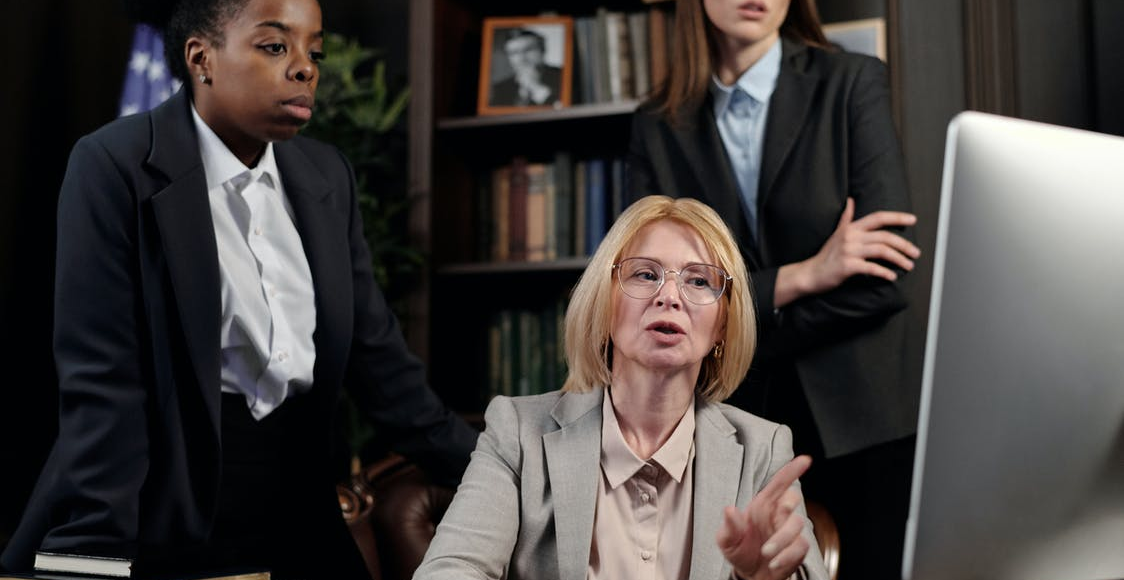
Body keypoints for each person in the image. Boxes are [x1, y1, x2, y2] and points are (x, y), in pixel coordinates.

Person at [0, 0, 477, 577]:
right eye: (275, 46)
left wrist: (515, 474)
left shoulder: (326, 176)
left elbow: (384, 369)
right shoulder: (113, 164)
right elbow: (104, 387)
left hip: (300, 515)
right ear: (201, 58)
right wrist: (92, 556)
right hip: (166, 519)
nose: (305, 67)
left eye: (314, 50)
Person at [625, 1, 921, 579]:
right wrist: (806, 274)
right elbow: (652, 289)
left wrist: (735, 319)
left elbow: (884, 282)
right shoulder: (656, 123)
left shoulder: (852, 83)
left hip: (865, 419)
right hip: (729, 420)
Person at [413, 195, 830, 580]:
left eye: (700, 281)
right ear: (605, 304)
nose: (670, 296)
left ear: (722, 324)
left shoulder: (762, 450)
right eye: (646, 274)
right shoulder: (518, 433)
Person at [489, 28, 562, 107]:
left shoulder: (564, 76)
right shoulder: (501, 88)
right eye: (514, 53)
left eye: (528, 50)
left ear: (543, 50)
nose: (521, 58)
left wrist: (536, 88)